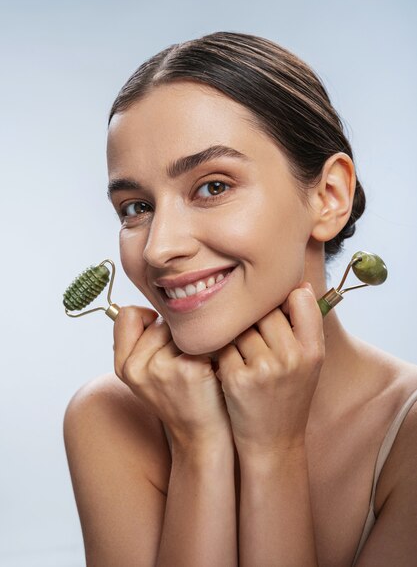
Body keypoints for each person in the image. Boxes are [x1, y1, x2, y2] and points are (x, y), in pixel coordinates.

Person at [63, 31, 417, 567]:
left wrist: (273, 452)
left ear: (329, 197)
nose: (159, 248)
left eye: (212, 187)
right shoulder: (109, 417)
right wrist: (198, 447)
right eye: (135, 207)